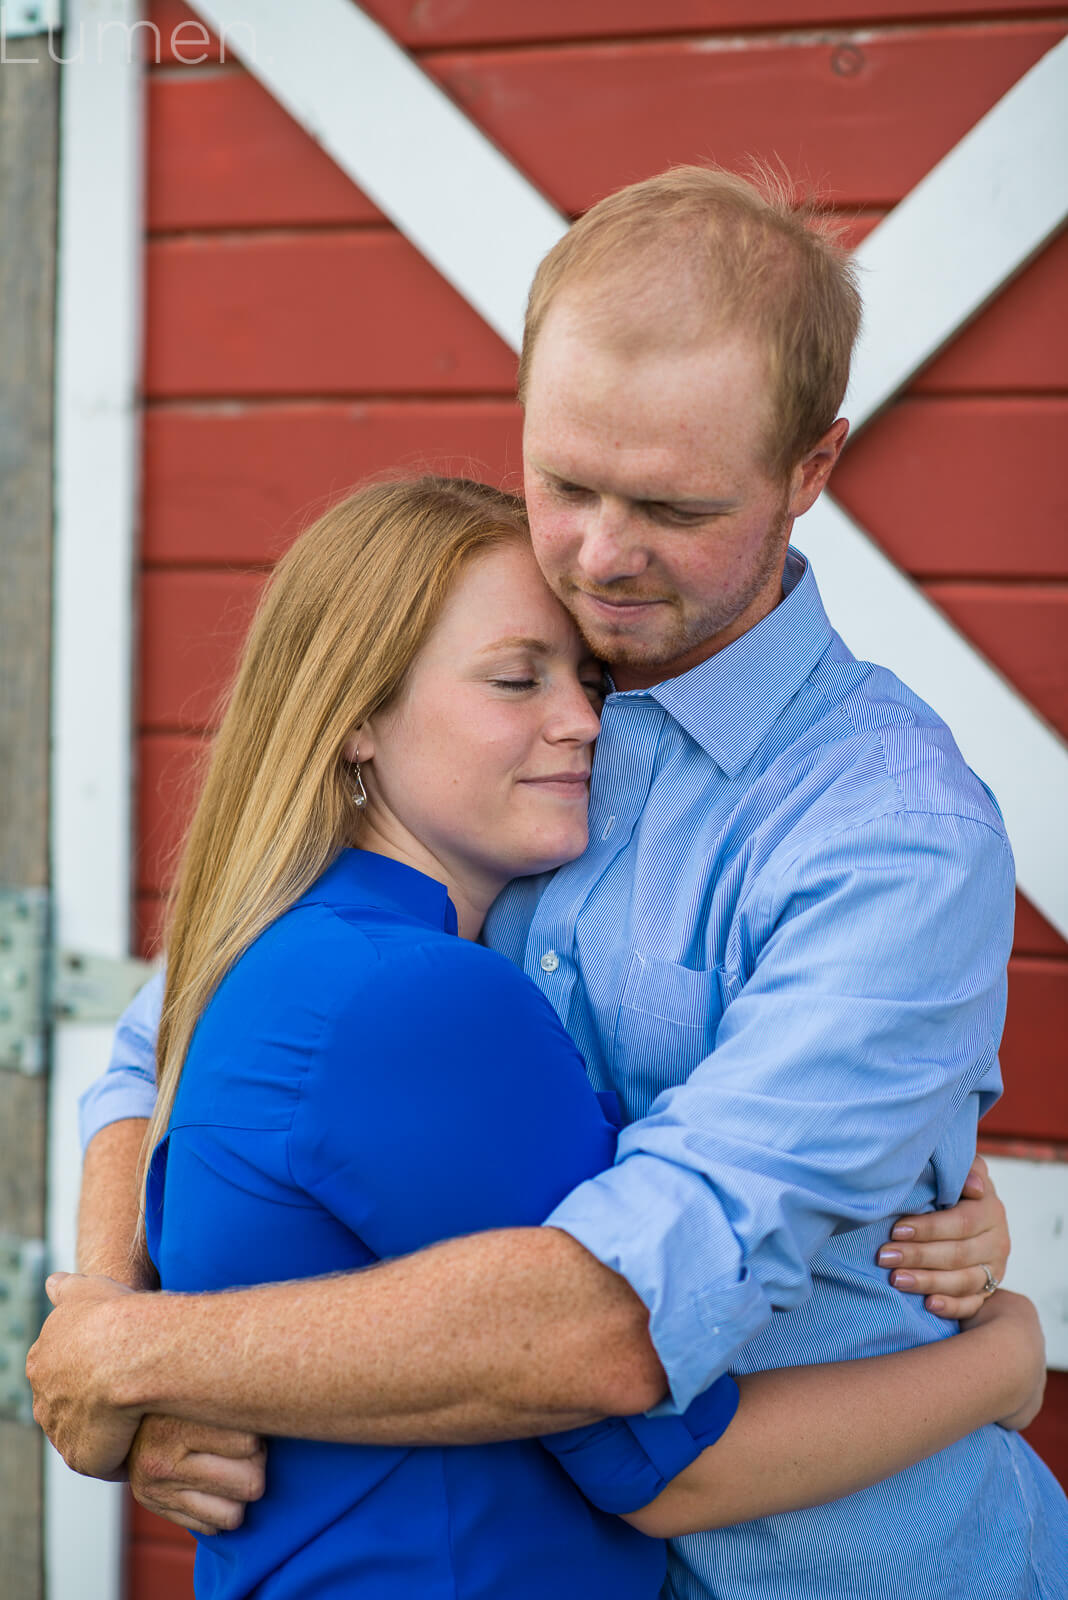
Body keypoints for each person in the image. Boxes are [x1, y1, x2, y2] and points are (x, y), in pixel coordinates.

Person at [30, 167, 1068, 1599]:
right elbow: (178, 1036)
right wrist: (122, 1323)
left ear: (810, 473)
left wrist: (144, 1354)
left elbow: (618, 1324)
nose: (597, 556)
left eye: (672, 506)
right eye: (565, 482)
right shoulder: (468, 716)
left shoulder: (888, 835)